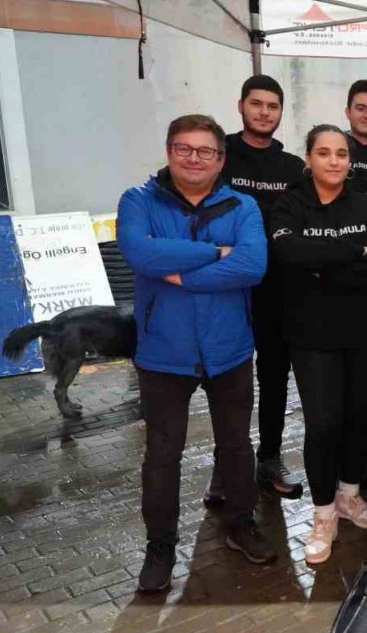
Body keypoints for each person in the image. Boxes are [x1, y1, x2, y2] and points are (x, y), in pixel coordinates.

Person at [117, 114, 275, 592]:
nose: (194, 158)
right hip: (163, 352)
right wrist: (215, 253)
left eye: (205, 151)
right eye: (183, 148)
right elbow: (140, 254)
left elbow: (253, 265)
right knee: (163, 454)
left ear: (220, 160)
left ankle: (240, 522)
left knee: (236, 445)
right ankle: (160, 545)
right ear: (169, 152)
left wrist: (179, 273)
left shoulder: (243, 205)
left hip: (229, 348)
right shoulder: (138, 201)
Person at [268, 124, 367, 564]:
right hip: (311, 335)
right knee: (323, 424)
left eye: (341, 154)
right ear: (309, 158)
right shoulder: (289, 204)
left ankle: (348, 495)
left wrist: (324, 268)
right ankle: (323, 514)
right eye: (323, 153)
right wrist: (354, 252)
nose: (333, 161)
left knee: (359, 417)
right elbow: (290, 254)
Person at [219, 74, 306, 502]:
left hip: (277, 289)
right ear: (241, 105)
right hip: (226, 289)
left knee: (273, 377)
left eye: (273, 106)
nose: (264, 112)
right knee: (225, 380)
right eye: (257, 104)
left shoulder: (292, 168)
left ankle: (268, 458)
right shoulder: (219, 156)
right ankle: (226, 468)